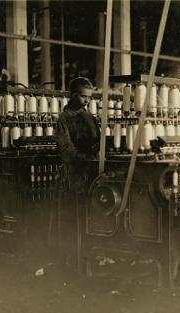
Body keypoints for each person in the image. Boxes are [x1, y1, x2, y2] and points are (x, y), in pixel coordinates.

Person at [55, 77, 100, 267]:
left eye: (89, 97)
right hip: (75, 172)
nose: (86, 101)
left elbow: (97, 139)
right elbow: (65, 147)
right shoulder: (64, 119)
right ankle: (73, 257)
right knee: (75, 213)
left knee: (93, 211)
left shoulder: (89, 116)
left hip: (92, 169)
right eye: (83, 97)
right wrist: (80, 156)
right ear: (72, 95)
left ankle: (92, 252)